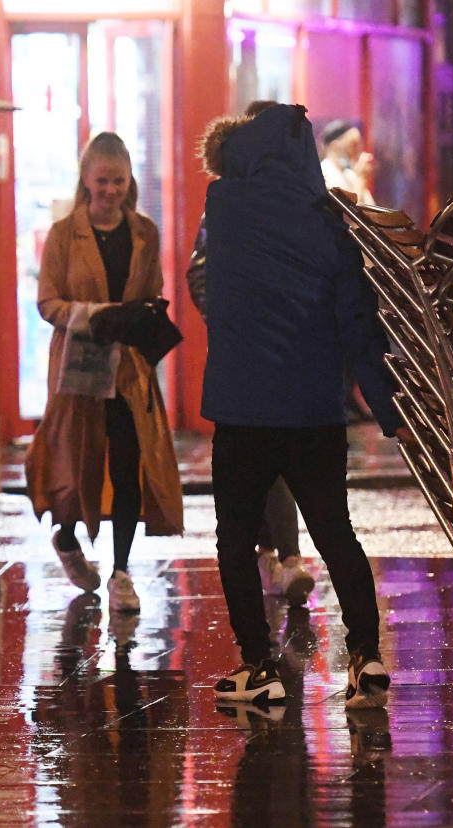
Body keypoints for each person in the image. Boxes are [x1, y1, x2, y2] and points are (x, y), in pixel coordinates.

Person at [199, 104, 403, 708]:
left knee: (235, 539)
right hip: (315, 409)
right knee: (336, 533)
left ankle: (258, 667)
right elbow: (357, 322)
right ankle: (365, 656)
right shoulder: (329, 223)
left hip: (243, 411)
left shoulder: (224, 207)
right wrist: (390, 410)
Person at [25, 132, 184, 614]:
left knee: (128, 462)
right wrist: (92, 314)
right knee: (76, 462)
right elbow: (47, 301)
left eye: (119, 181)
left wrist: (142, 314)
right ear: (86, 181)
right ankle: (68, 537)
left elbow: (152, 288)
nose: (111, 190)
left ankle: (120, 572)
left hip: (129, 366)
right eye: (102, 181)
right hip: (80, 364)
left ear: (129, 180)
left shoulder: (144, 232)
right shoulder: (62, 234)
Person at [186, 100, 316, 607]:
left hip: (284, 348)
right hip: (249, 348)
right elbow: (201, 272)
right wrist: (233, 320)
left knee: (274, 454)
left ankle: (282, 556)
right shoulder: (230, 201)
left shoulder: (300, 197)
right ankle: (282, 557)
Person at [320, 120, 375, 206]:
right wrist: (361, 178)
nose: (357, 152)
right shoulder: (324, 174)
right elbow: (347, 215)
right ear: (335, 146)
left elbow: (371, 208)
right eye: (353, 145)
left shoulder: (350, 175)